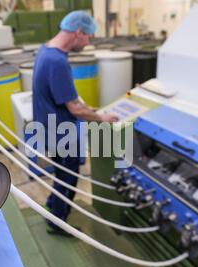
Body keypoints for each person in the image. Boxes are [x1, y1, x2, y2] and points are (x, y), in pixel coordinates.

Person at [32, 11, 118, 236]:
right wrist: (101, 118)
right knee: (69, 178)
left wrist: (79, 103)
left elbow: (66, 97)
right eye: (89, 36)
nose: (89, 42)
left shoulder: (46, 50)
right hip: (62, 134)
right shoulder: (57, 61)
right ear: (79, 32)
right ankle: (57, 223)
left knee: (60, 173)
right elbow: (74, 109)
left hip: (48, 128)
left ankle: (52, 204)